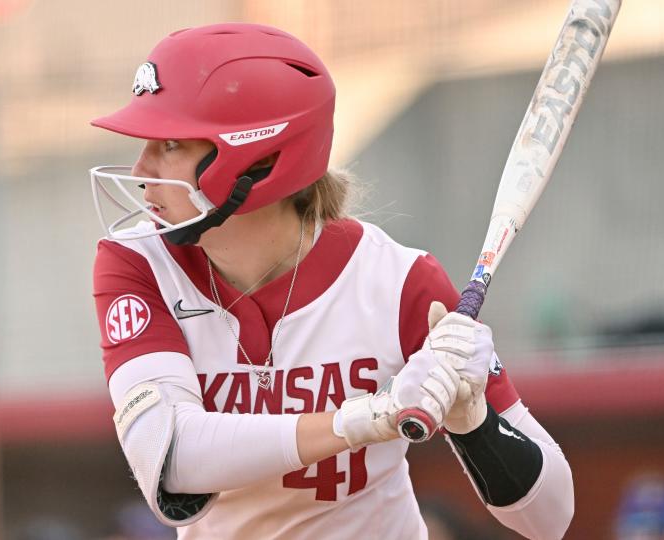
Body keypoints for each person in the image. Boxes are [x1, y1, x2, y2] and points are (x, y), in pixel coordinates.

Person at [90, 23, 573, 539]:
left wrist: (472, 421)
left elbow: (550, 518)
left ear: (263, 160)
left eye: (169, 144)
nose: (141, 170)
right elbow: (171, 456)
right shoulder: (137, 264)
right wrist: (370, 415)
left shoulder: (398, 281)